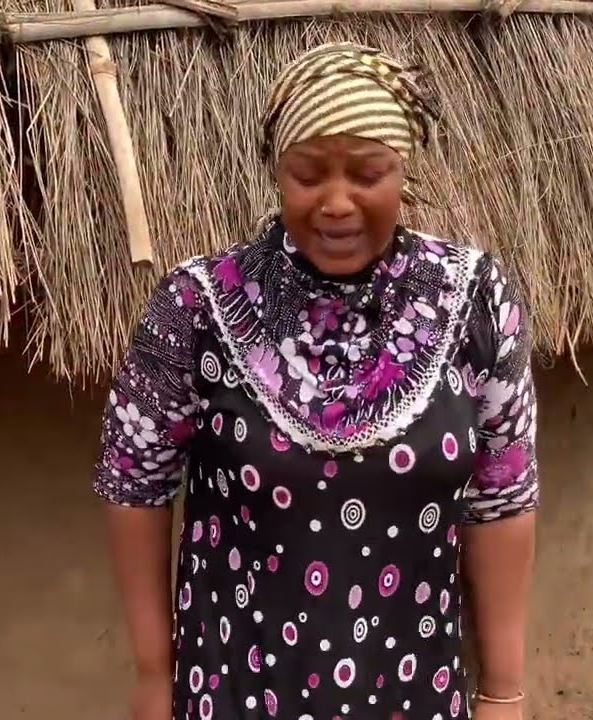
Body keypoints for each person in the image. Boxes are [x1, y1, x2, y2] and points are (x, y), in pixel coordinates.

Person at [95, 42, 537, 720]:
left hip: (412, 692)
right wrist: (156, 673)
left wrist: (503, 692)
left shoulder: (474, 298)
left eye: (367, 174)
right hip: (237, 689)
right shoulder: (196, 305)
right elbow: (135, 484)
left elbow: (503, 496)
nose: (337, 203)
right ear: (277, 175)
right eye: (308, 175)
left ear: (403, 171)